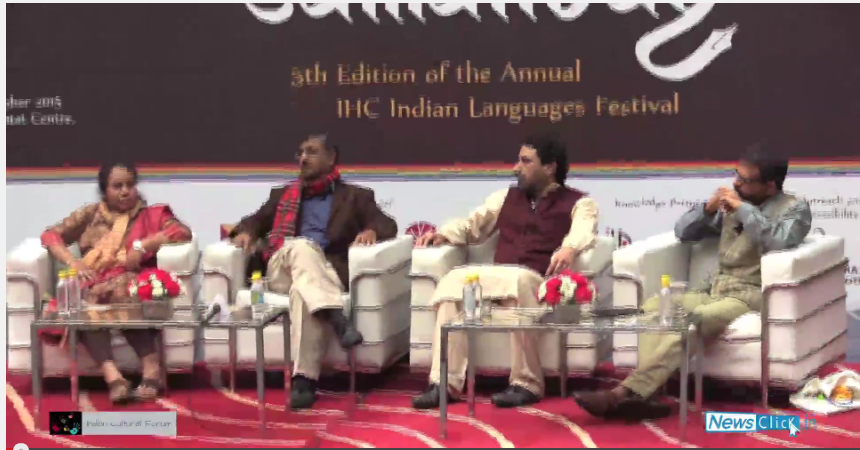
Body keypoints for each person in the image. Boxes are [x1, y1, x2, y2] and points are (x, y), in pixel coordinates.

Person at [574, 146, 812, 420]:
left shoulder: (794, 209)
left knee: (693, 319)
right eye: (737, 174)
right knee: (657, 306)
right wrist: (707, 210)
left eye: (745, 180)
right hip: (716, 289)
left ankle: (624, 393)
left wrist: (743, 209)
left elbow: (778, 240)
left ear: (770, 185)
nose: (736, 183)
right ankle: (648, 396)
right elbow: (683, 232)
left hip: (749, 295)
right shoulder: (734, 202)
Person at [411, 133, 599, 410]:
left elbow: (584, 229)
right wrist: (444, 234)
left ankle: (527, 383)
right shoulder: (504, 198)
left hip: (537, 281)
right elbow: (472, 225)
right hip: (499, 279)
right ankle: (443, 384)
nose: (516, 168)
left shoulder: (579, 202)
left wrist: (569, 248)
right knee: (455, 281)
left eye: (526, 161)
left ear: (550, 167)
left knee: (520, 280)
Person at [229, 133, 397, 410]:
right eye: (300, 153)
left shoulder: (356, 197)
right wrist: (246, 232)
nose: (303, 158)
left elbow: (387, 224)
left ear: (331, 158)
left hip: (325, 273)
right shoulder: (282, 195)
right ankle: (337, 318)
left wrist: (371, 231)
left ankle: (304, 382)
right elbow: (254, 220)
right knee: (301, 246)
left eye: (311, 152)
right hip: (281, 269)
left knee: (302, 293)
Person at [40, 162, 193, 404]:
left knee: (123, 292)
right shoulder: (90, 214)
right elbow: (50, 236)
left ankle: (151, 367)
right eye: (117, 186)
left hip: (130, 278)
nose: (125, 191)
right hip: (93, 281)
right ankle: (114, 378)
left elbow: (181, 231)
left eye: (129, 185)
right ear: (104, 190)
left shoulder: (149, 215)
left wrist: (142, 246)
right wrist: (73, 262)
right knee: (83, 302)